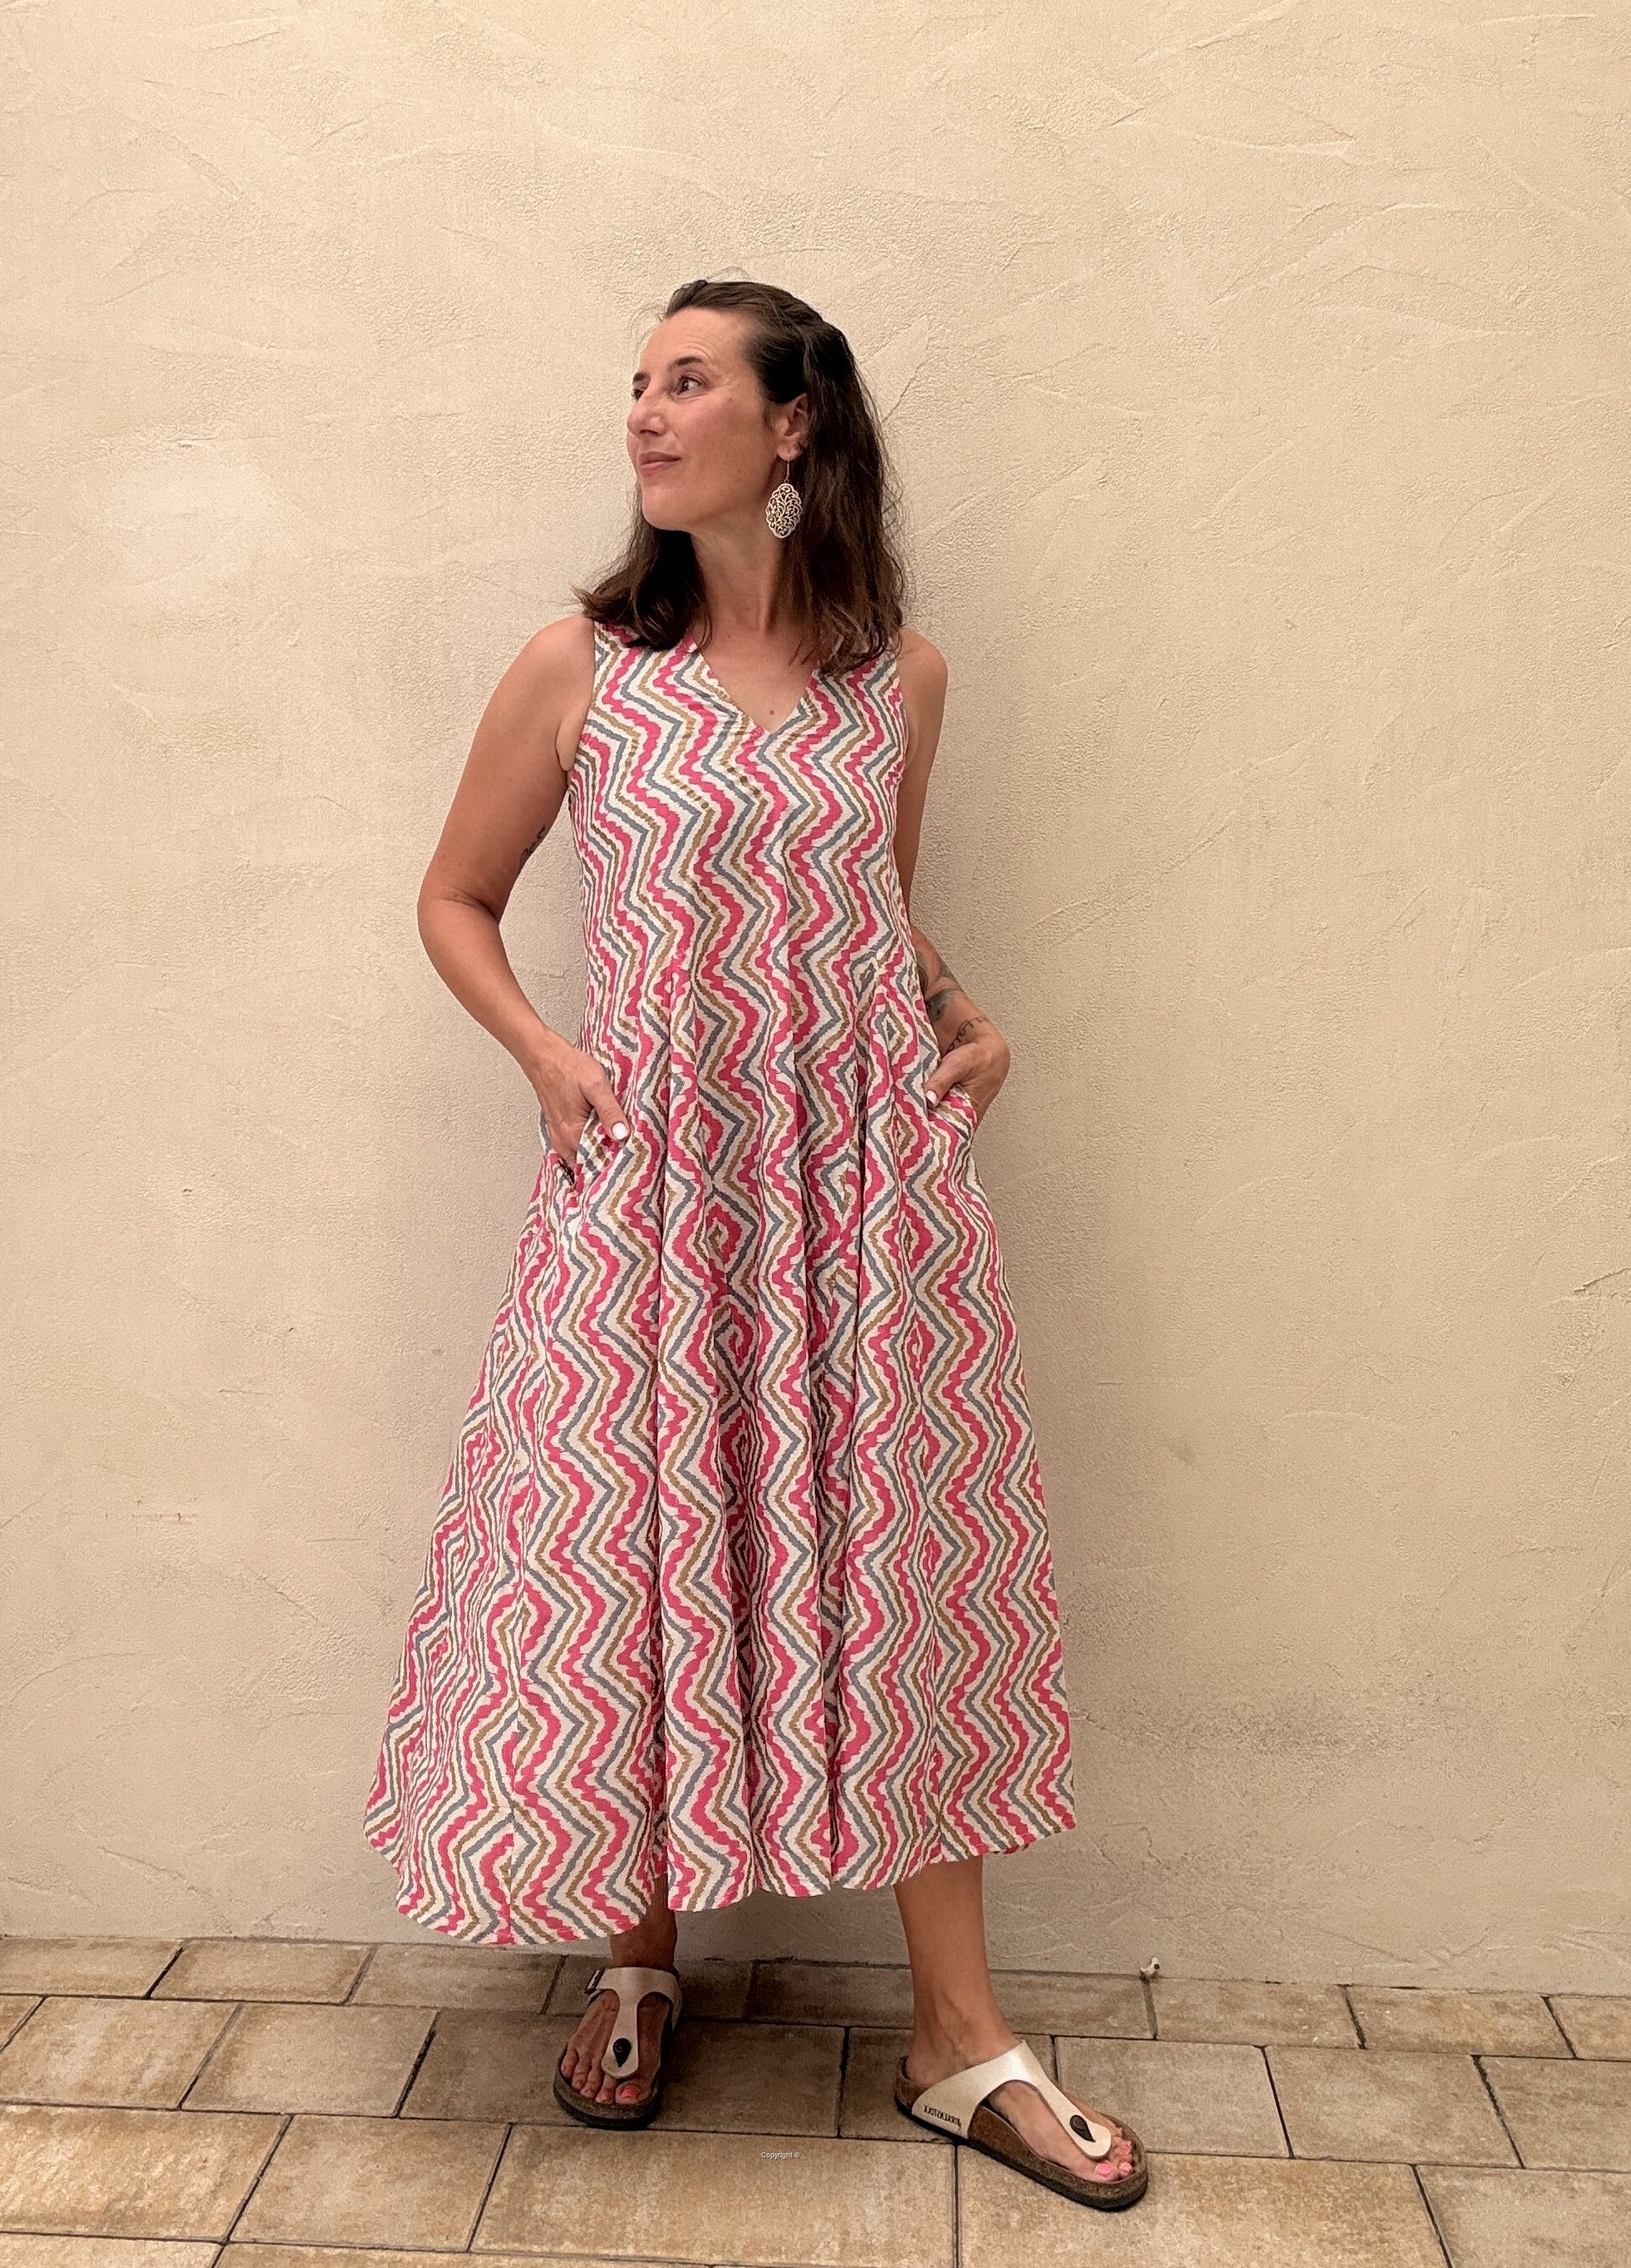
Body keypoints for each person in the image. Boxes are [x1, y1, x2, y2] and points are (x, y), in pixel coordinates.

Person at [363, 277, 1146, 2212]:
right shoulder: (580, 667)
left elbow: (859, 909)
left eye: (688, 380)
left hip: (864, 1195)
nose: (644, 408)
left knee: (905, 1577)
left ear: (791, 430)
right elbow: (459, 897)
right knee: (636, 1554)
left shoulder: (903, 681)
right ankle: (639, 1952)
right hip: (657, 1189)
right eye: (635, 380)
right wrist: (548, 1059)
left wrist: (969, 1018)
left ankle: (958, 2036)